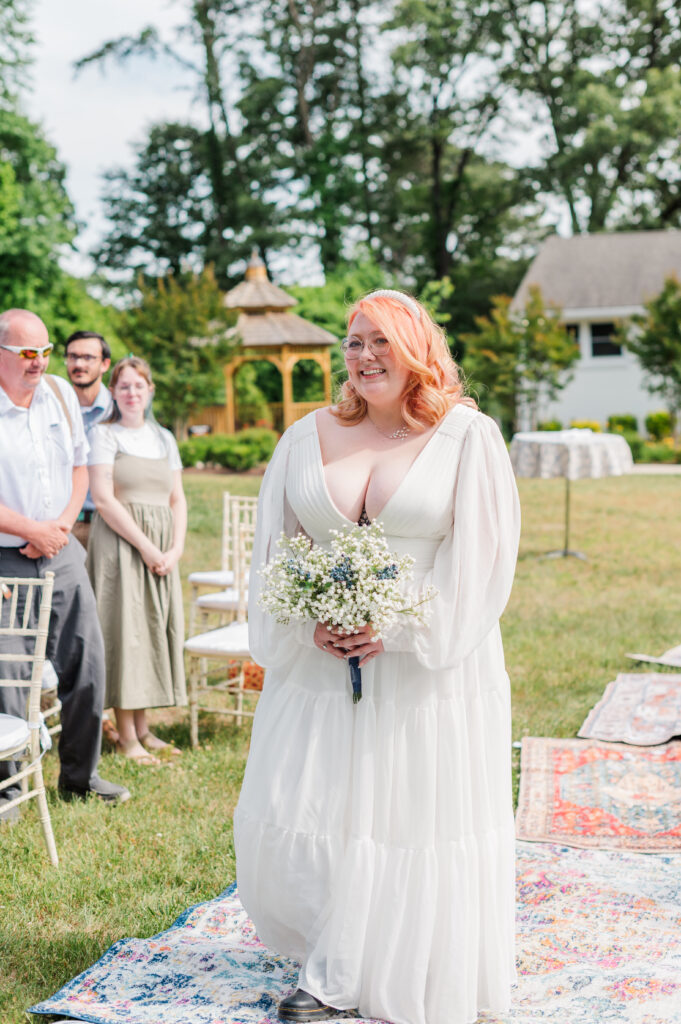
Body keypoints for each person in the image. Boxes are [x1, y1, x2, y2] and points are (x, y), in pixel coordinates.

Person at [234, 290, 521, 1024]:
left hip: (426, 667)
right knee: (315, 806)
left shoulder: (466, 436)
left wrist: (398, 630)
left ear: (417, 348)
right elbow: (278, 546)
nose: (361, 357)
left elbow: (482, 564)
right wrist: (308, 622)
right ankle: (330, 948)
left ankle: (352, 975)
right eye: (353, 342)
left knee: (405, 815)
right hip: (322, 666)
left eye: (379, 343)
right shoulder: (307, 435)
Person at [0, 308, 129, 816]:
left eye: (46, 351)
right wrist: (27, 529)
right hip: (5, 558)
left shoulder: (57, 394)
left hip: (61, 549)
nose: (40, 362)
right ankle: (9, 791)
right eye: (28, 353)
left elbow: (79, 466)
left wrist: (56, 528)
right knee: (8, 676)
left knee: (86, 662)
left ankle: (80, 776)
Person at [86, 356, 187, 766]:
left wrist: (175, 549)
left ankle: (144, 727)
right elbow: (105, 499)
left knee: (148, 632)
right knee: (124, 634)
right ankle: (126, 737)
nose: (131, 393)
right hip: (122, 545)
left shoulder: (164, 438)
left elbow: (178, 498)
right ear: (113, 391)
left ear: (150, 391)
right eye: (123, 386)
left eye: (138, 386)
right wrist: (147, 547)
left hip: (161, 547)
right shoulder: (104, 434)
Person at [64, 330, 113, 548]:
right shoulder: (54, 407)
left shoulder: (119, 409)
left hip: (108, 525)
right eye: (73, 356)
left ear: (105, 364)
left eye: (88, 358)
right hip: (64, 526)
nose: (79, 364)